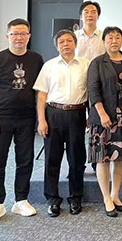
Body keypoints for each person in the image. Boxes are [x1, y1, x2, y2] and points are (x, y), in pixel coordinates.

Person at [0, 18, 44, 222]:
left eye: (23, 33)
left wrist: (40, 118)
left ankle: (21, 200)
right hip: (1, 117)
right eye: (15, 33)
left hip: (27, 117)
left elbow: (40, 91)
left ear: (29, 36)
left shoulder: (37, 59)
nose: (19, 37)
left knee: (25, 160)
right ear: (8, 36)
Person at [33, 29, 90, 217]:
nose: (65, 44)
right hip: (53, 114)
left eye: (69, 41)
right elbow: (41, 95)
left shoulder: (86, 65)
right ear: (57, 46)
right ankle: (52, 199)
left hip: (77, 114)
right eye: (61, 42)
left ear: (75, 43)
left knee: (77, 158)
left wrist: (90, 117)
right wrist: (41, 120)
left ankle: (76, 197)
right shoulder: (49, 66)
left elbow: (91, 93)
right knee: (52, 158)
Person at [87, 27, 122, 217]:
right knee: (103, 158)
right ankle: (106, 198)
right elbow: (93, 90)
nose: (114, 41)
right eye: (110, 38)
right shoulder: (97, 62)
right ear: (104, 41)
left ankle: (115, 195)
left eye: (118, 37)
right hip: (105, 118)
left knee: (120, 157)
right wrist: (102, 114)